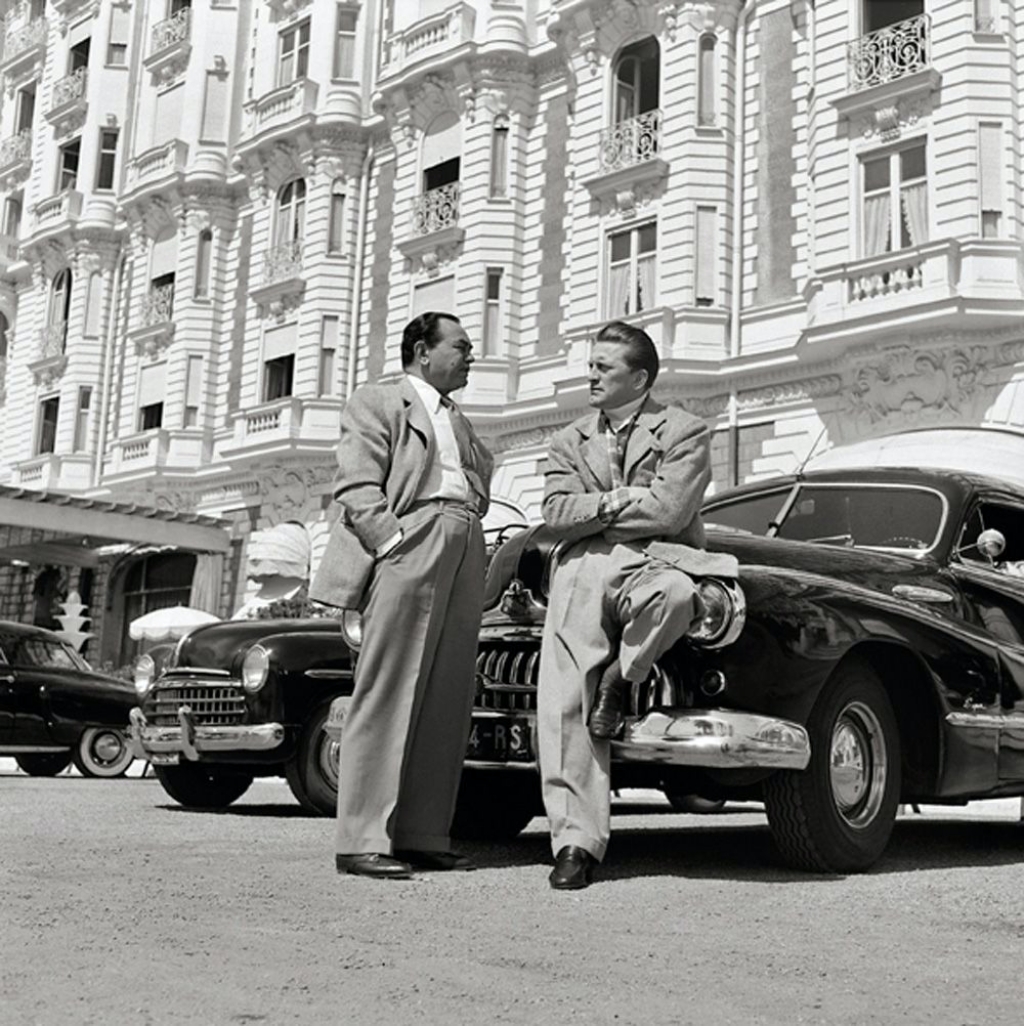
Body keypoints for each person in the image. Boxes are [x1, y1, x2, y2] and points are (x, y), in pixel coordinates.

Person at [537, 320, 737, 890]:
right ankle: (576, 842)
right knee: (563, 704)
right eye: (591, 364)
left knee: (678, 597)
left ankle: (623, 678)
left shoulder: (686, 430)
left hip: (658, 561)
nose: (591, 374)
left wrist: (598, 509)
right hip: (581, 569)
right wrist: (617, 500)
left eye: (604, 367)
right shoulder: (568, 439)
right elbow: (554, 511)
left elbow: (670, 512)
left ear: (640, 378)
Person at [309, 311, 493, 880]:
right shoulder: (379, 400)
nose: (470, 357)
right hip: (413, 538)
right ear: (421, 351)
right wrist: (392, 542)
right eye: (460, 346)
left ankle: (419, 833)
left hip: (464, 543)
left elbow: (475, 476)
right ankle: (361, 838)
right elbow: (357, 483)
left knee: (446, 693)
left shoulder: (457, 417)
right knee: (388, 688)